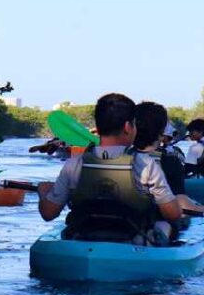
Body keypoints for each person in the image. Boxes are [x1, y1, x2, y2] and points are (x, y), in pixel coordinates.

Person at [37, 93, 182, 246]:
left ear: (98, 128)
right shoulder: (146, 165)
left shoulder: (74, 164)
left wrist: (43, 193)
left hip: (83, 239)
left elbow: (48, 213)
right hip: (132, 242)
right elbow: (173, 214)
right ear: (128, 127)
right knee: (165, 226)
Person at [134, 101, 187, 196]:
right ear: (163, 130)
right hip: (157, 208)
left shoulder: (120, 157)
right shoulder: (170, 162)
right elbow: (180, 201)